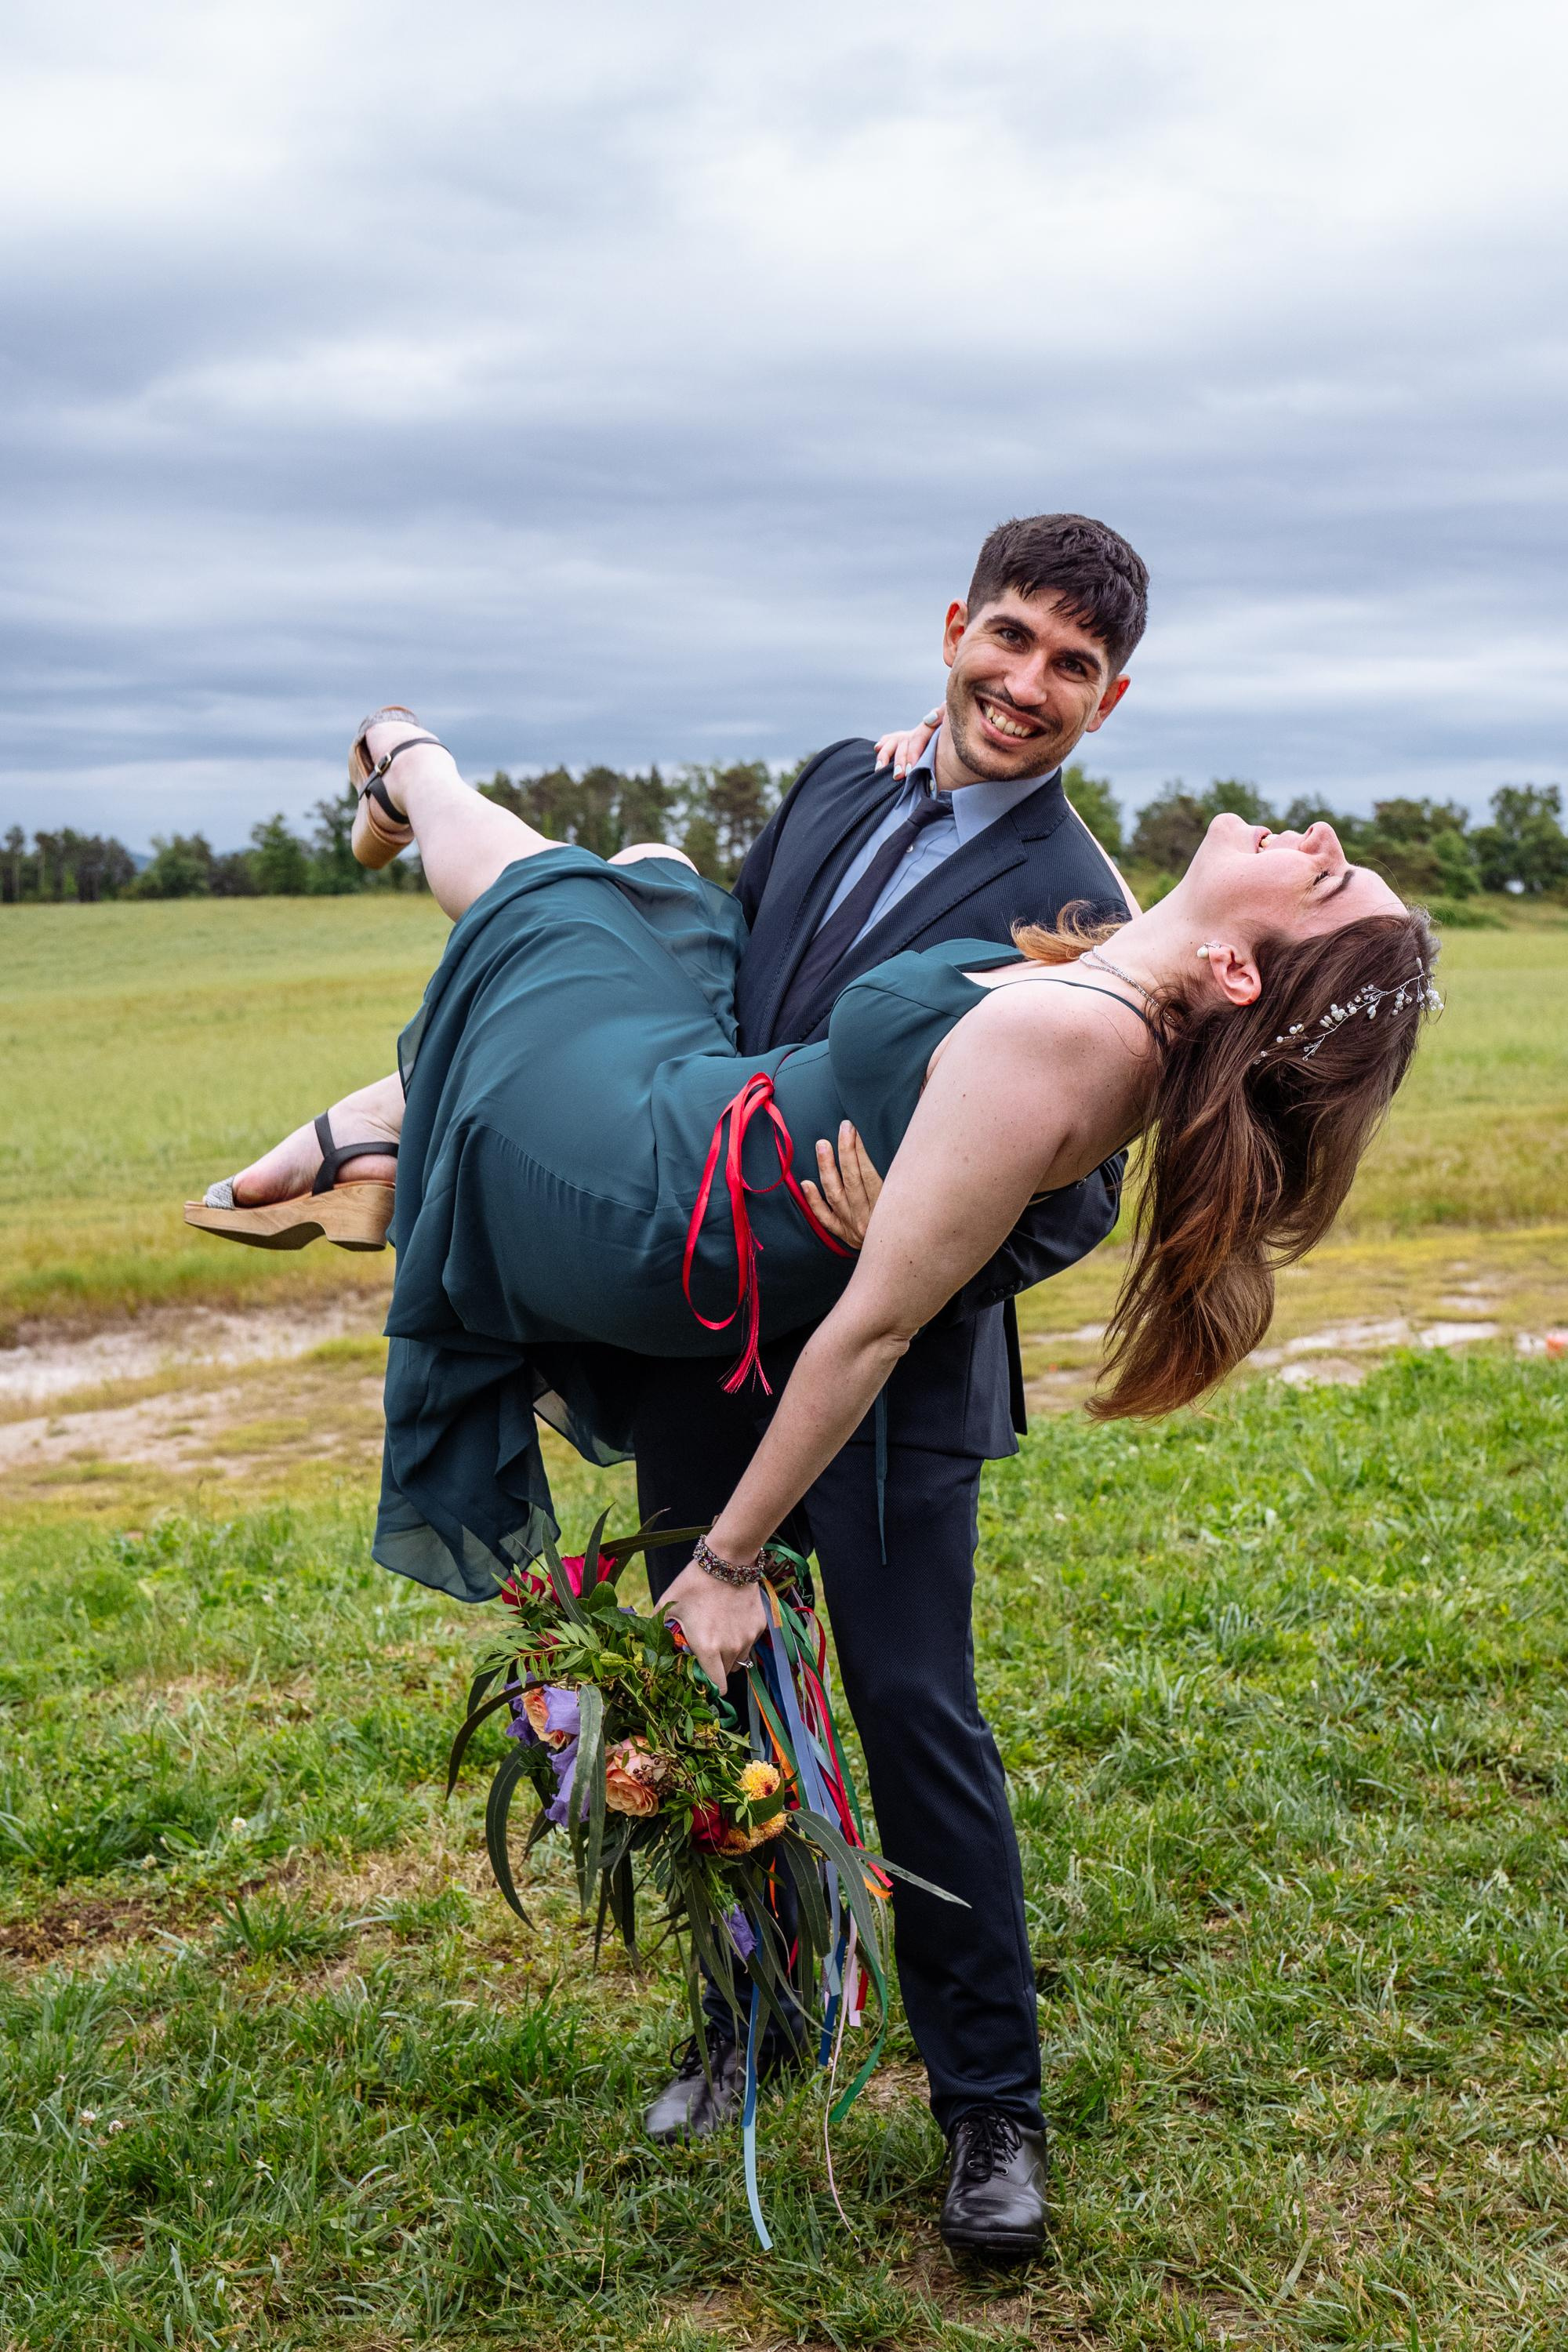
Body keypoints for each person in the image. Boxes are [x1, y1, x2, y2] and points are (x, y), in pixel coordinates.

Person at [188, 515, 1436, 2258]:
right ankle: (749, 2016)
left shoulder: (1084, 889)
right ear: (956, 628)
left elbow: (1073, 1170)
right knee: (714, 1696)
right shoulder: (840, 781)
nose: (1026, 684)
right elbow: (733, 988)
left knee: (922, 1724)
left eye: (1069, 668)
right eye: (1009, 640)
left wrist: (907, 1245)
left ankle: (989, 2109)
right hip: (715, 1315)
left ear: (1107, 699)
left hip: (894, 1362)